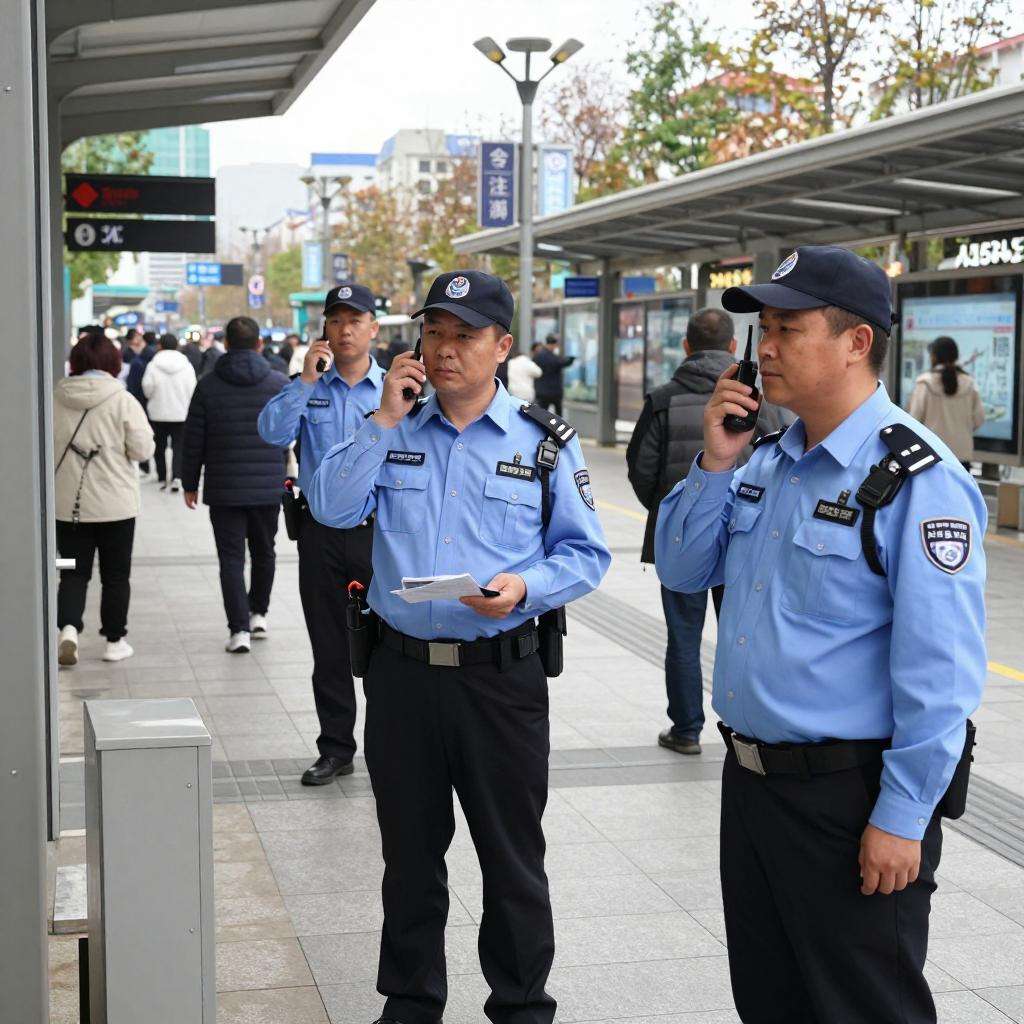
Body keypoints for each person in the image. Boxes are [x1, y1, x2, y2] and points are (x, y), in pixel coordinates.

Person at [655, 245, 987, 1024]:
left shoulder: (918, 480)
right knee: (771, 1002)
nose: (764, 348)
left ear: (856, 341)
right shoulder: (765, 459)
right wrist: (712, 461)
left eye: (787, 328)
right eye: (762, 328)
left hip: (850, 798)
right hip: (754, 789)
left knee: (863, 1006)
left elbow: (939, 675)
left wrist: (902, 818)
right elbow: (679, 567)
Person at [308, 269, 611, 1024]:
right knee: (409, 859)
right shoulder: (392, 430)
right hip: (402, 677)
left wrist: (522, 588)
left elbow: (585, 555)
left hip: (499, 681)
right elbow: (330, 505)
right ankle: (410, 1002)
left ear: (502, 346)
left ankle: (519, 1004)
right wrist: (380, 419)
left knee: (512, 858)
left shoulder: (543, 446)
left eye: (465, 335)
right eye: (434, 332)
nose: (445, 350)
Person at [626, 307, 785, 756]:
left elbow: (641, 470)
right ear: (734, 348)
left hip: (682, 542)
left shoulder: (662, 399)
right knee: (742, 629)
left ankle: (686, 729)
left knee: (683, 635)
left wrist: (673, 517)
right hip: (744, 540)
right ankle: (744, 726)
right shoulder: (762, 402)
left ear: (686, 347)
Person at [258, 283, 385, 785]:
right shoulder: (309, 386)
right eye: (337, 320)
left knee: (388, 645)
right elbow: (271, 433)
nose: (346, 329)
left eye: (356, 320)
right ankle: (336, 747)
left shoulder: (399, 389)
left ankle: (388, 745)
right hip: (320, 534)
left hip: (381, 535)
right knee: (328, 645)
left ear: (374, 328)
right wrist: (306, 381)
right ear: (325, 330)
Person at [181, 316, 288, 652]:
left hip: (224, 487)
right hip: (268, 485)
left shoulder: (208, 384)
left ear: (225, 344)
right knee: (265, 551)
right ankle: (259, 613)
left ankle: (238, 630)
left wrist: (189, 482)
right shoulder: (278, 384)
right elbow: (289, 436)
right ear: (259, 344)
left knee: (230, 559)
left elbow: (193, 438)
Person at [54, 332, 154, 666]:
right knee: (115, 575)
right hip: (116, 507)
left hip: (67, 507)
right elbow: (142, 449)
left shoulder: (55, 398)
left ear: (76, 362)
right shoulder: (123, 400)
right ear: (112, 362)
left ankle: (68, 628)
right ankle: (114, 640)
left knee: (70, 571)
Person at [908, 336, 985, 472]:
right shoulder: (969, 383)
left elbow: (914, 421)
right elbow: (979, 419)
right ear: (956, 356)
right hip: (962, 457)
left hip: (932, 457)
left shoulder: (925, 383)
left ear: (933, 357)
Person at [142, 333, 196, 492]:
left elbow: (147, 388)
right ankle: (177, 477)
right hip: (181, 413)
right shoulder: (186, 365)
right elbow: (192, 388)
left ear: (160, 346)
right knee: (179, 446)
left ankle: (161, 475)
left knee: (159, 445)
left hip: (158, 412)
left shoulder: (153, 365)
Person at [125, 328, 157, 477]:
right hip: (142, 398)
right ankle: (146, 465)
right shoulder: (132, 354)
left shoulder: (142, 356)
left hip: (141, 397)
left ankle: (145, 466)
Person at [533, 332, 575, 415]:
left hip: (541, 391)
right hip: (554, 391)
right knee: (558, 416)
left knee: (542, 415)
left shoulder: (538, 356)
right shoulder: (553, 357)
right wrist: (572, 358)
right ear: (554, 345)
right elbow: (563, 362)